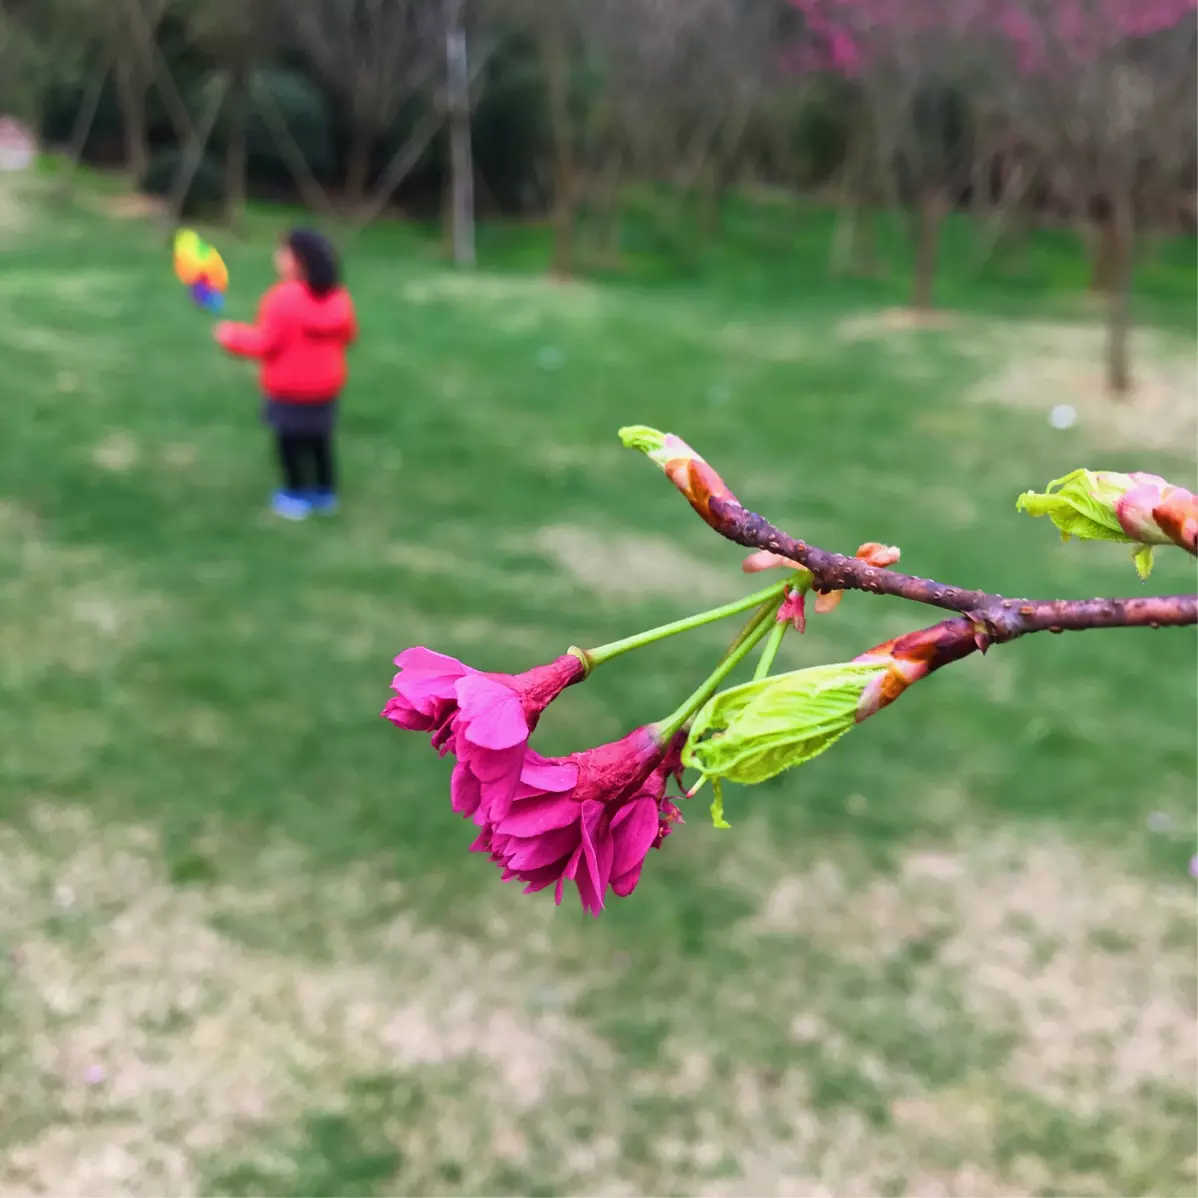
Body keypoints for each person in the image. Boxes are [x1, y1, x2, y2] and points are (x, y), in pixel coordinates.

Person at [215, 228, 357, 520]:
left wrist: (230, 336)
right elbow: (348, 336)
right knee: (320, 440)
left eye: (282, 252)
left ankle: (294, 496)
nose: (277, 257)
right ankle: (324, 493)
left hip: (289, 388)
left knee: (290, 442)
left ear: (298, 261)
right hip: (325, 388)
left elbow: (266, 343)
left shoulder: (282, 298)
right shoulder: (338, 298)